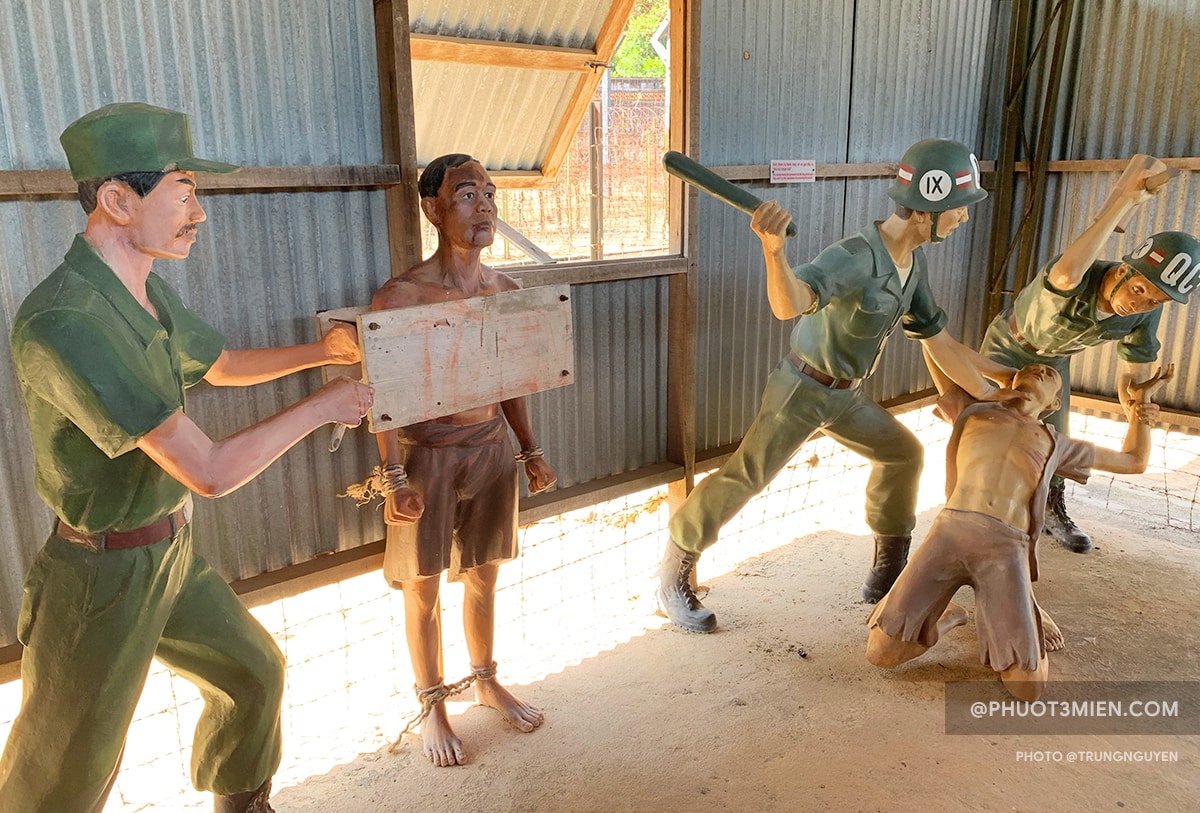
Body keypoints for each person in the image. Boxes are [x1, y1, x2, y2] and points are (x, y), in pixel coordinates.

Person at [0, 103, 373, 813]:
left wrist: (322, 355)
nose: (198, 213)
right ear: (117, 199)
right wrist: (322, 406)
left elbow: (222, 362)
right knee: (63, 772)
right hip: (98, 575)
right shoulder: (65, 321)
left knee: (253, 673)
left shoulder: (142, 290)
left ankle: (243, 804)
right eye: (184, 191)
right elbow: (209, 469)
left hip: (169, 552)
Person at [656, 138, 1017, 633]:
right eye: (959, 208)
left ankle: (888, 574)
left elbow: (941, 342)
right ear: (927, 208)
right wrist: (773, 250)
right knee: (748, 476)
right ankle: (673, 574)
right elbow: (789, 304)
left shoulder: (913, 265)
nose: (964, 218)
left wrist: (999, 386)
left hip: (846, 396)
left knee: (902, 454)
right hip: (802, 389)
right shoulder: (853, 256)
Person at [368, 153, 557, 768]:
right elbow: (383, 396)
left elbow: (514, 380)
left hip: (490, 450)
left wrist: (530, 450)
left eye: (490, 196)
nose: (484, 208)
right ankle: (431, 705)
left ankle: (483, 677)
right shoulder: (401, 297)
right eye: (468, 195)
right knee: (421, 586)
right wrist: (393, 478)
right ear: (433, 209)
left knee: (485, 570)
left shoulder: (504, 291)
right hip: (427, 457)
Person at [866, 360, 1170, 700]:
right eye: (1030, 369)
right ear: (1011, 379)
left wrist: (1139, 410)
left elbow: (1133, 461)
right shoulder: (974, 412)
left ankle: (1020, 606)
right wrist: (995, 378)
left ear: (1055, 403)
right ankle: (949, 617)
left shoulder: (1056, 443)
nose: (1040, 370)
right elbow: (937, 350)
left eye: (1050, 375)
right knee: (881, 653)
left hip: (1005, 549)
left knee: (1027, 688)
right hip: (949, 533)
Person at [980, 163, 1199, 553]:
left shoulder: (1146, 310)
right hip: (1009, 347)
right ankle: (980, 507)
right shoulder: (1076, 275)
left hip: (1054, 364)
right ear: (1123, 269)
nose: (1142, 303)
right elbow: (1065, 275)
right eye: (1139, 288)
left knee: (1055, 437)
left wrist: (1137, 406)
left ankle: (1050, 507)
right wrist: (1124, 201)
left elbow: (1134, 372)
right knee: (989, 427)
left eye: (1157, 299)